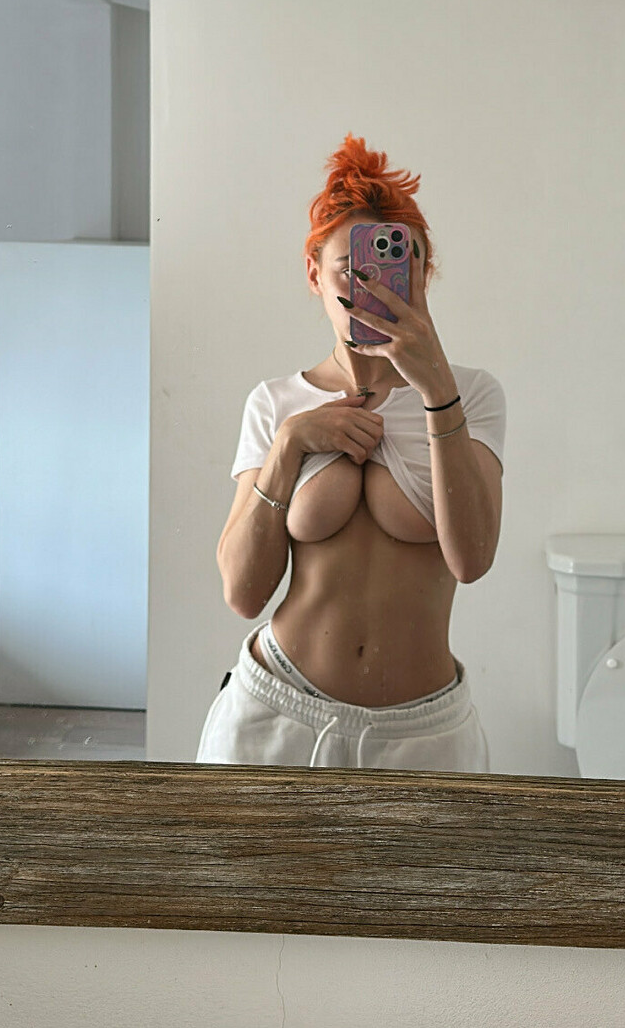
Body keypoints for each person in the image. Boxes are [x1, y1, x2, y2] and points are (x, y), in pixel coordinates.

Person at [196, 132, 505, 771]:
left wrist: (436, 390)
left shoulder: (471, 395)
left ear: (423, 274)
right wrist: (289, 445)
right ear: (314, 274)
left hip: (423, 736)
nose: (372, 284)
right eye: (351, 267)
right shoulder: (276, 402)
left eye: (394, 264)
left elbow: (471, 559)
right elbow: (243, 593)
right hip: (274, 715)